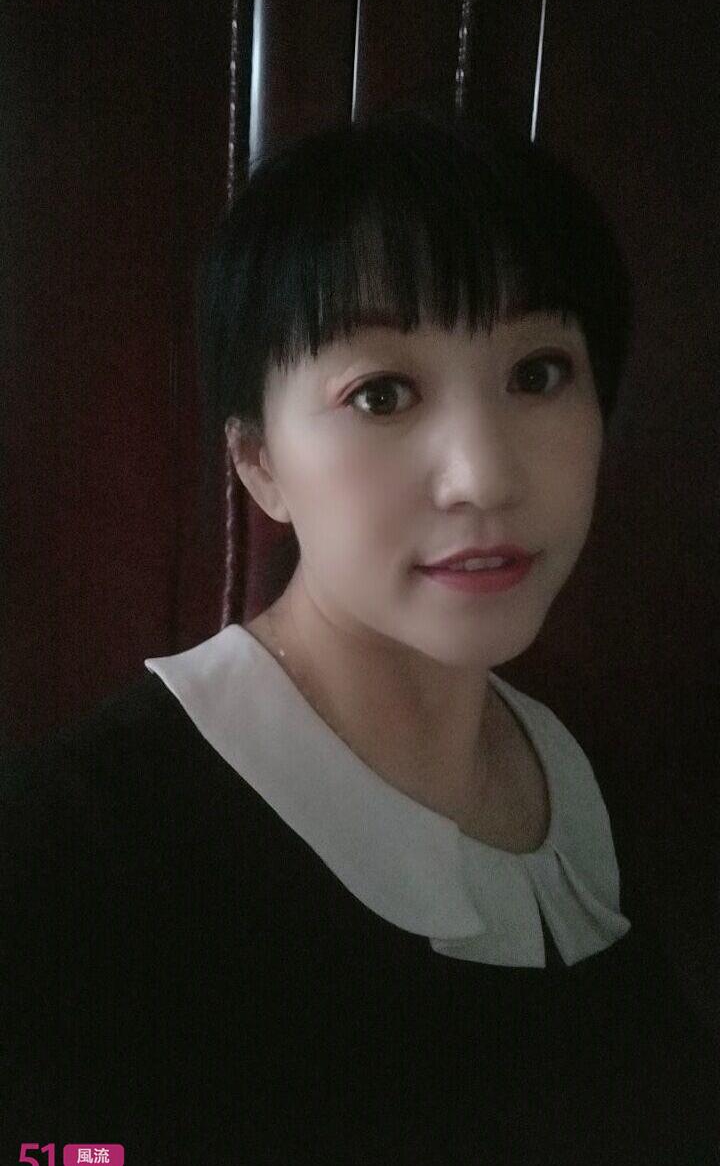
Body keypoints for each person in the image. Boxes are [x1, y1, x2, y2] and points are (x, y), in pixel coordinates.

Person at [2, 107, 717, 1165]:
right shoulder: (69, 859)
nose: (484, 477)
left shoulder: (593, 780)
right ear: (259, 463)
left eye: (538, 373)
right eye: (381, 393)